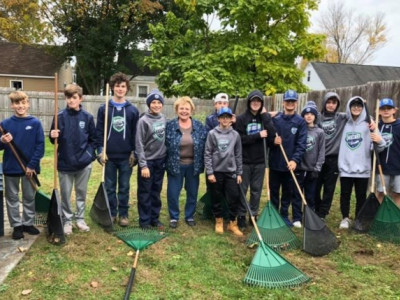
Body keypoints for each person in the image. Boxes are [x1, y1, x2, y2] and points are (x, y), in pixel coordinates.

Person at [49, 84, 97, 235]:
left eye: (74, 97)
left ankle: (80, 219)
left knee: (81, 192)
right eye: (68, 97)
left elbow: (94, 140)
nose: (71, 101)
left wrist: (89, 156)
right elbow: (52, 139)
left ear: (80, 98)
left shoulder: (88, 118)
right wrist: (52, 136)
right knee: (66, 194)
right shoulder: (59, 117)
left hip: (83, 163)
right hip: (65, 163)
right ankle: (67, 221)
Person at [96, 72, 139, 227]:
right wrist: (101, 150)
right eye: (117, 86)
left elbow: (135, 134)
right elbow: (99, 131)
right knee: (109, 186)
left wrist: (135, 152)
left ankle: (124, 214)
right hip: (109, 156)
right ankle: (112, 213)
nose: (120, 89)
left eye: (123, 86)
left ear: (126, 89)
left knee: (124, 186)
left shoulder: (132, 111)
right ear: (112, 88)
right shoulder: (104, 109)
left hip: (126, 156)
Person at [0, 91, 44, 240]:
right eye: (17, 103)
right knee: (11, 197)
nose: (21, 106)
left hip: (29, 168)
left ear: (28, 103)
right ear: (12, 105)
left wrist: (32, 165)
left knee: (29, 196)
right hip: (11, 167)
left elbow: (40, 146)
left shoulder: (35, 123)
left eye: (23, 103)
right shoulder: (5, 124)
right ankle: (16, 226)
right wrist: (3, 141)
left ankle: (28, 223)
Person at [338, 96, 385, 229]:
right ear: (349, 107)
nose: (356, 108)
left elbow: (380, 146)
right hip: (345, 167)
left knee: (360, 196)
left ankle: (359, 218)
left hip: (362, 168)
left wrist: (378, 137)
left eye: (359, 106)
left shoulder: (369, 124)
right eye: (353, 105)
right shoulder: (344, 123)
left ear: (363, 108)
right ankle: (345, 218)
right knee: (345, 194)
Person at [234, 90, 276, 229]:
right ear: (249, 102)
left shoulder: (264, 119)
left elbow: (272, 136)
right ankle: (241, 215)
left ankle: (253, 215)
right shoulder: (241, 119)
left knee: (256, 190)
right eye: (253, 101)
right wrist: (258, 135)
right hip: (245, 161)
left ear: (262, 103)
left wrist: (266, 116)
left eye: (258, 101)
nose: (256, 103)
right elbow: (240, 139)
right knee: (243, 189)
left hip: (260, 161)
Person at [165, 96, 207, 228]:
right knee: (173, 192)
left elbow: (206, 144)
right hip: (175, 164)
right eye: (181, 108)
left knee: (192, 192)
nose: (184, 111)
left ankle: (189, 216)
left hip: (193, 165)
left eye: (187, 109)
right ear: (177, 109)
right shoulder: (170, 125)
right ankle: (174, 217)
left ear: (191, 110)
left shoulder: (199, 126)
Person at [269, 90, 307, 227]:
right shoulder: (275, 120)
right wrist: (273, 141)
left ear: (296, 103)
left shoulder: (300, 122)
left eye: (293, 101)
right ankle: (273, 214)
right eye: (288, 101)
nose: (290, 103)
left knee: (287, 192)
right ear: (283, 102)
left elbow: (302, 144)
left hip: (289, 165)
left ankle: (284, 214)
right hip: (275, 162)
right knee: (274, 191)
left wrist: (295, 160)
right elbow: (268, 138)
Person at [204, 107, 243, 236]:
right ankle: (219, 221)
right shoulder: (212, 134)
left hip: (230, 171)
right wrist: (210, 172)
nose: (225, 119)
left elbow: (238, 155)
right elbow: (208, 154)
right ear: (218, 119)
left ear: (231, 119)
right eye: (222, 117)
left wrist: (239, 173)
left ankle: (232, 223)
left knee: (234, 197)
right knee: (216, 196)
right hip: (216, 171)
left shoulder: (235, 135)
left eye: (228, 117)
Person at [135, 89, 167, 229]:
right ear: (149, 104)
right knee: (145, 192)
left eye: (158, 102)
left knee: (156, 191)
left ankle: (155, 218)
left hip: (160, 161)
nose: (156, 105)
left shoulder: (164, 118)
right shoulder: (143, 121)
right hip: (147, 162)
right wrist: (143, 165)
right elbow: (139, 144)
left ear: (162, 104)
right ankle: (144, 221)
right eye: (153, 102)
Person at [314, 92, 348, 220]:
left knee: (329, 188)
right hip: (318, 158)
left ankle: (323, 213)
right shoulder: (317, 117)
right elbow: (302, 116)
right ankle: (316, 208)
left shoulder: (341, 117)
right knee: (316, 186)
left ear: (337, 105)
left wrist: (371, 121)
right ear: (324, 103)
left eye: (334, 103)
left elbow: (361, 115)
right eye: (328, 102)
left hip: (333, 159)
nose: (331, 105)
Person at [294, 101, 325, 225]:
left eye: (311, 114)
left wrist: (317, 168)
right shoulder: (299, 131)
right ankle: (297, 217)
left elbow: (321, 152)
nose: (309, 116)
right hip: (300, 168)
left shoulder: (319, 132)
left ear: (315, 116)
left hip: (312, 170)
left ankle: (309, 217)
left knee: (310, 195)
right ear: (303, 116)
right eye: (306, 114)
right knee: (297, 194)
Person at [376, 98, 400, 205]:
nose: (386, 111)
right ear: (379, 111)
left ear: (394, 110)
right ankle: (379, 217)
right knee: (380, 192)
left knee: (398, 194)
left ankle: (397, 217)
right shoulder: (376, 126)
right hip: (381, 166)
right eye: (383, 109)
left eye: (389, 108)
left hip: (398, 167)